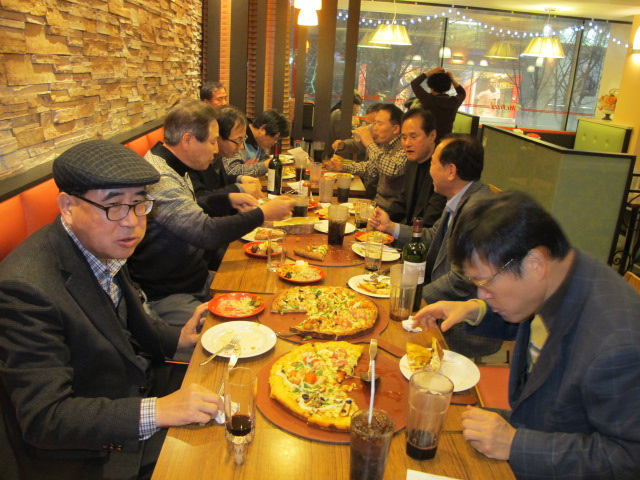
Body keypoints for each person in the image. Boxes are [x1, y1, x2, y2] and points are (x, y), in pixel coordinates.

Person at [0, 140, 223, 480]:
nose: (131, 222)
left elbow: (124, 325)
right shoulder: (25, 288)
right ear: (67, 206)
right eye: (114, 205)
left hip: (143, 386)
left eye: (139, 203)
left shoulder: (101, 242)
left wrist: (179, 339)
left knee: (236, 392)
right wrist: (158, 410)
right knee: (220, 459)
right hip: (97, 453)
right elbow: (44, 418)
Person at [414, 191, 640, 479]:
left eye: (485, 283)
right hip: (530, 422)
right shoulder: (561, 271)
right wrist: (473, 309)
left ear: (535, 263)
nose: (481, 294)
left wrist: (515, 444)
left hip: (551, 456)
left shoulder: (617, 344)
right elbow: (534, 320)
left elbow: (629, 458)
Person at [128, 100, 294, 329]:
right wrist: (262, 213)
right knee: (243, 330)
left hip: (197, 279)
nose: (216, 149)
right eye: (213, 141)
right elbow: (205, 232)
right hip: (169, 294)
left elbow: (190, 207)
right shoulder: (161, 178)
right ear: (188, 140)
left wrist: (227, 199)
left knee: (270, 292)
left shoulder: (174, 164)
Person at [369, 133, 502, 358]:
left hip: (461, 324)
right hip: (439, 301)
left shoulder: (478, 211)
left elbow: (461, 280)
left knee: (385, 339)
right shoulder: (462, 198)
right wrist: (390, 227)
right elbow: (431, 236)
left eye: (432, 163)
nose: (429, 171)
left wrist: (411, 298)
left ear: (450, 171)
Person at [328, 104, 406, 211]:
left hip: (392, 211)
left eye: (379, 124)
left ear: (396, 129)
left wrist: (369, 143)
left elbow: (392, 169)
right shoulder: (386, 145)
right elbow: (371, 169)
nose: (374, 128)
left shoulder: (404, 146)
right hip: (377, 206)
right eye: (374, 123)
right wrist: (342, 166)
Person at [383, 108, 446, 228]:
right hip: (409, 231)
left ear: (432, 136)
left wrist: (392, 228)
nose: (407, 143)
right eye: (404, 137)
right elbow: (403, 201)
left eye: (413, 137)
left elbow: (430, 222)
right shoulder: (411, 162)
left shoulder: (442, 169)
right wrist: (382, 217)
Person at [222, 108, 290, 178]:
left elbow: (264, 161)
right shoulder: (238, 139)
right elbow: (231, 170)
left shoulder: (260, 143)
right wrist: (264, 166)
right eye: (275, 138)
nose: (274, 143)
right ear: (262, 129)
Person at [410, 66, 466, 142]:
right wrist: (452, 79)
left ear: (431, 87)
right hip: (446, 142)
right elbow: (462, 93)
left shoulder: (428, 100)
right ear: (448, 87)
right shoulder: (453, 102)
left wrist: (432, 71)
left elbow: (414, 83)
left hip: (428, 140)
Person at [324, 92, 363, 158]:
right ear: (351, 105)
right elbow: (345, 136)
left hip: (337, 152)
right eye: (357, 106)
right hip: (337, 154)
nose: (359, 109)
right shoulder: (341, 115)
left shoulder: (338, 112)